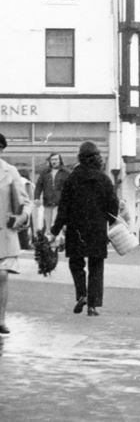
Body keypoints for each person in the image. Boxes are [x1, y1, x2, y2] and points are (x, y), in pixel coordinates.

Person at [49, 141, 118, 316]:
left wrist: (55, 230)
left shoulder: (72, 178)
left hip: (76, 229)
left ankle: (82, 294)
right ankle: (93, 306)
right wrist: (111, 223)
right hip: (97, 228)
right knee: (96, 266)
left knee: (76, 263)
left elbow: (63, 208)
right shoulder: (104, 179)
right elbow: (113, 204)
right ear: (97, 158)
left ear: (80, 157)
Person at [0, 133, 31, 334]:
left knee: (1, 276)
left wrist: (20, 218)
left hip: (4, 233)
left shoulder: (10, 171)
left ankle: (0, 319)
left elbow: (25, 202)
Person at [34, 153, 70, 236]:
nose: (54, 161)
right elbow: (39, 185)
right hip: (48, 202)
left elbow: (71, 187)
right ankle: (49, 244)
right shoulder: (45, 172)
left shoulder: (66, 172)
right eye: (52, 159)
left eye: (56, 159)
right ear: (50, 161)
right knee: (48, 226)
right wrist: (36, 197)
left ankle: (57, 243)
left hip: (60, 203)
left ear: (60, 160)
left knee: (57, 224)